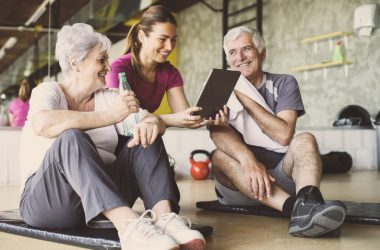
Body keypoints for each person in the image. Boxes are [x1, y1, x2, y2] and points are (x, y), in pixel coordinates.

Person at [19, 23, 205, 250]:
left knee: (144, 134)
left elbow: (146, 120)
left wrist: (153, 121)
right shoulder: (48, 91)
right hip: (50, 202)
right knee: (71, 138)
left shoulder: (109, 96)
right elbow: (43, 124)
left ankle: (165, 219)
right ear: (75, 62)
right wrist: (110, 116)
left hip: (99, 201)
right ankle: (129, 228)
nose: (109, 67)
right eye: (101, 60)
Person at [208, 26, 347, 237]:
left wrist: (245, 97)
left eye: (247, 49)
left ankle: (308, 200)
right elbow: (217, 133)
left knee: (306, 139)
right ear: (228, 59)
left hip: (280, 175)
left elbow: (283, 135)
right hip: (242, 181)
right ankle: (297, 210)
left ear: (262, 54)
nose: (240, 57)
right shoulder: (219, 85)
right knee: (218, 157)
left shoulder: (284, 83)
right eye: (233, 52)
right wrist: (249, 162)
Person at [106, 5, 206, 128]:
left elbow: (184, 117)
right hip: (114, 138)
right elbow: (122, 118)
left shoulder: (170, 72)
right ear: (142, 37)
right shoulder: (119, 69)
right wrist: (166, 119)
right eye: (162, 39)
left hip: (143, 135)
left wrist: (205, 117)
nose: (169, 47)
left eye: (173, 40)